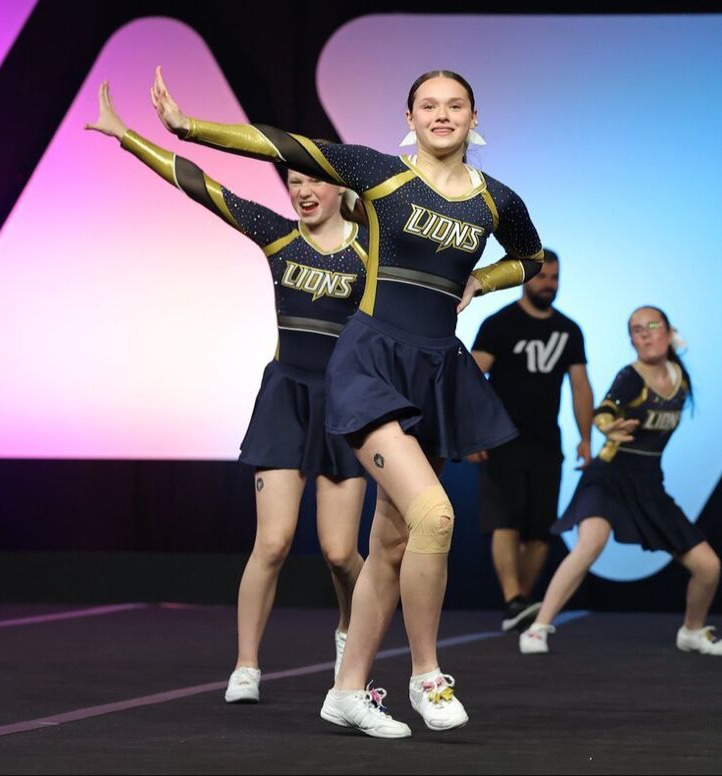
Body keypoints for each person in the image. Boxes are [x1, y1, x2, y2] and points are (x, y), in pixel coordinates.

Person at [147, 67, 544, 736]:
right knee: (435, 517)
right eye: (428, 105)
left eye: (454, 105)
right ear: (410, 118)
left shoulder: (497, 200)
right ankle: (426, 675)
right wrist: (190, 128)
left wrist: (483, 279)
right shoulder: (377, 173)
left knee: (391, 543)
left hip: (434, 373)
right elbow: (279, 144)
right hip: (369, 365)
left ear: (474, 118)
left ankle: (347, 690)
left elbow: (530, 258)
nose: (441, 114)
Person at [85, 81, 367, 702]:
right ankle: (246, 666)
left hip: (345, 405)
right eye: (293, 180)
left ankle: (351, 632)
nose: (302, 190)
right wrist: (127, 136)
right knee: (273, 541)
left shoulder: (370, 252)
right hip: (286, 399)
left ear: (341, 187)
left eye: (314, 180)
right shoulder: (278, 237)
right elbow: (204, 188)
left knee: (341, 552)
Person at [518, 307, 722, 658]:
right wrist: (605, 426)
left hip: (649, 485)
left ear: (669, 332)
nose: (645, 334)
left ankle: (693, 631)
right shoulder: (630, 377)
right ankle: (537, 628)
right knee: (591, 543)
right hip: (609, 476)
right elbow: (606, 409)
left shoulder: (681, 380)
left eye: (653, 326)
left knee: (708, 567)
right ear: (631, 340)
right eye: (636, 329)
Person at [467, 250, 592, 632]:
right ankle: (513, 601)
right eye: (542, 277)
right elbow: (470, 377)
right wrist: (470, 432)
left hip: (546, 442)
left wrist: (586, 438)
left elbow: (580, 386)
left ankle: (520, 602)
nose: (549, 284)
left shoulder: (569, 330)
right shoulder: (499, 324)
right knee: (505, 521)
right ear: (526, 279)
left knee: (541, 529)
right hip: (502, 439)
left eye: (554, 278)